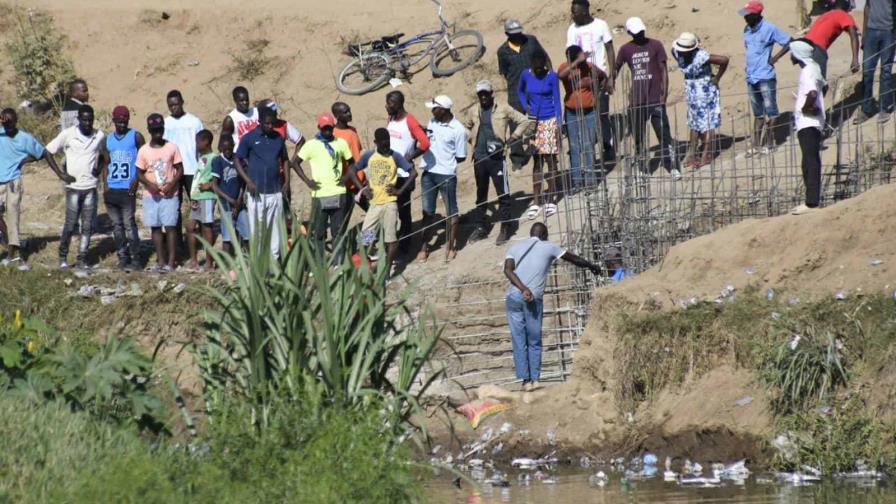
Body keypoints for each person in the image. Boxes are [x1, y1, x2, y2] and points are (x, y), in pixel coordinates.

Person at [503, 222, 601, 391]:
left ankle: (525, 381)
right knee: (534, 340)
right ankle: (534, 379)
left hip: (513, 297)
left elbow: (508, 270)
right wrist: (591, 266)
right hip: (532, 298)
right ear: (544, 235)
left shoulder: (516, 247)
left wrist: (521, 288)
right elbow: (574, 259)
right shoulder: (549, 246)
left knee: (519, 340)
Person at [0, 108, 73, 271]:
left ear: (16, 121)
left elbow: (43, 153)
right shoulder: (1, 134)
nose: (8, 126)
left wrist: (59, 173)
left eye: (11, 123)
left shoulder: (24, 138)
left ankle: (14, 255)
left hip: (13, 181)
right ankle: (8, 244)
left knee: (13, 217)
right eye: (6, 123)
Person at [464, 79, 532, 245]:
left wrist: (513, 138)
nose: (483, 97)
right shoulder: (474, 110)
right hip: (479, 158)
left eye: (486, 94)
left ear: (491, 93)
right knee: (481, 194)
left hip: (497, 158)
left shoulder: (503, 108)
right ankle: (481, 226)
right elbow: (466, 127)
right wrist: (470, 138)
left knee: (503, 193)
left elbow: (524, 120)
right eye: (480, 94)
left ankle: (507, 226)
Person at [615, 17, 681, 179]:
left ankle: (672, 165)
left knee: (663, 133)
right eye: (636, 33)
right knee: (638, 136)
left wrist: (664, 93)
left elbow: (663, 70)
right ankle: (643, 167)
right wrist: (609, 82)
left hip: (655, 98)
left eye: (641, 31)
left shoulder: (656, 45)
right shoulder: (625, 49)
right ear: (630, 33)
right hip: (637, 100)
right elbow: (616, 68)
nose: (640, 35)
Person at [46, 104, 107, 269]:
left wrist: (98, 168)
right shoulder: (68, 134)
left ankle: (82, 258)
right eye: (84, 120)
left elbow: (105, 154)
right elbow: (48, 152)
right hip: (73, 187)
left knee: (87, 226)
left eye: (90, 120)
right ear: (78, 119)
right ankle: (63, 256)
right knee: (70, 224)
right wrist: (60, 174)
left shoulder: (99, 135)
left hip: (90, 187)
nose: (88, 123)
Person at [293, 112, 358, 260]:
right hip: (319, 195)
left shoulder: (340, 143)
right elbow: (295, 163)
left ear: (333, 126)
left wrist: (346, 177)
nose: (327, 131)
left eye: (329, 128)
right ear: (319, 127)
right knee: (319, 232)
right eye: (324, 128)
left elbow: (353, 163)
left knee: (338, 231)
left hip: (338, 193)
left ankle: (338, 262)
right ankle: (319, 263)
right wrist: (307, 181)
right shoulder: (311, 145)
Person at [355, 128, 416, 276]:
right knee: (365, 237)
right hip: (375, 204)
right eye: (382, 144)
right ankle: (365, 266)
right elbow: (352, 170)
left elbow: (413, 173)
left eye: (387, 143)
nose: (386, 146)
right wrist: (362, 189)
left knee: (391, 239)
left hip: (390, 204)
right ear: (376, 142)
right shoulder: (369, 155)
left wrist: (399, 191)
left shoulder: (395, 156)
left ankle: (387, 272)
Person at [418, 95, 467, 263]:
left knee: (451, 211)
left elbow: (461, 156)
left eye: (435, 108)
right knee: (427, 211)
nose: (432, 111)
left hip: (446, 175)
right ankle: (424, 247)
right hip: (428, 173)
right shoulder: (433, 121)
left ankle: (451, 246)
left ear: (444, 110)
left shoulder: (458, 129)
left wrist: (445, 159)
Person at [738, 1, 791, 157]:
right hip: (751, 76)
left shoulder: (769, 28)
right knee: (758, 113)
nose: (745, 18)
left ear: (756, 14)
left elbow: (789, 41)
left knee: (771, 111)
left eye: (748, 15)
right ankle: (755, 145)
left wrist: (775, 57)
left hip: (766, 76)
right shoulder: (746, 30)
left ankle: (769, 143)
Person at [234, 107, 289, 257]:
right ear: (260, 122)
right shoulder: (249, 138)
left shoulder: (278, 138)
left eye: (272, 124)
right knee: (257, 230)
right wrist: (248, 181)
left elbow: (285, 160)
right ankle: (258, 265)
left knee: (275, 230)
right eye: (267, 124)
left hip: (275, 192)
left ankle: (274, 264)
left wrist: (287, 182)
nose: (270, 126)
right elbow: (237, 159)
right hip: (256, 193)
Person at [567, 0, 616, 162]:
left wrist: (611, 76)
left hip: (599, 77)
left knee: (601, 112)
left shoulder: (601, 25)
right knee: (585, 114)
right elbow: (569, 54)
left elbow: (609, 48)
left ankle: (607, 144)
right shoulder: (572, 30)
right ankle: (587, 148)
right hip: (581, 80)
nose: (572, 15)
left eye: (574, 12)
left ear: (584, 11)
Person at [671, 32, 729, 169]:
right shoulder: (677, 52)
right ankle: (691, 153)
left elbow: (724, 60)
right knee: (693, 123)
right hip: (692, 93)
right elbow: (674, 51)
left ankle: (705, 155)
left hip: (705, 92)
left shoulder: (702, 56)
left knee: (707, 123)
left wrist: (717, 78)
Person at [498, 19, 550, 170]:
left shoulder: (531, 41)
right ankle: (517, 157)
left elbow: (544, 57)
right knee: (515, 122)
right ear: (507, 34)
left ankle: (546, 149)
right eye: (513, 34)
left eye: (519, 33)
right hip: (516, 89)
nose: (518, 36)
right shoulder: (502, 51)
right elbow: (504, 72)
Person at [518, 50, 563, 221]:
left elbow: (557, 100)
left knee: (550, 160)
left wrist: (559, 122)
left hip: (549, 120)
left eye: (540, 68)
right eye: (535, 68)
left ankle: (552, 197)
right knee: (537, 161)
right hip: (533, 122)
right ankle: (537, 201)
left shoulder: (552, 76)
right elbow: (520, 91)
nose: (538, 71)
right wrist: (525, 105)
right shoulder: (525, 75)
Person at [136, 113, 183, 273]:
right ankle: (160, 261)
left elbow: (179, 169)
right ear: (149, 130)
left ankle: (171, 262)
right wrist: (150, 185)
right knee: (155, 228)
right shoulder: (143, 151)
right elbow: (139, 173)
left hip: (170, 195)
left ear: (163, 129)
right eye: (154, 130)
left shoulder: (172, 147)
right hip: (151, 196)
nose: (158, 133)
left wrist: (172, 184)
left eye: (160, 129)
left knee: (170, 227)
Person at [99, 105, 145, 270]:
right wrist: (105, 186)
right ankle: (122, 256)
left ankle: (136, 258)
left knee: (129, 223)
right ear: (114, 120)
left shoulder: (136, 136)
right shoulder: (107, 140)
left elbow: (143, 159)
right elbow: (106, 164)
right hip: (112, 188)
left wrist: (137, 179)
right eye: (119, 120)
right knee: (117, 226)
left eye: (125, 119)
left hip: (128, 188)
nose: (122, 123)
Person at [385, 91, 430, 258]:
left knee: (403, 211)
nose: (387, 106)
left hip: (404, 174)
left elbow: (425, 143)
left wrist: (410, 156)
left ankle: (405, 244)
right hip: (387, 174)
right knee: (388, 210)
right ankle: (389, 243)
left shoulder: (409, 120)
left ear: (398, 103)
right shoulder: (390, 119)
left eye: (390, 103)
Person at [558, 45, 608, 187]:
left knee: (588, 144)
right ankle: (576, 181)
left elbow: (603, 76)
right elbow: (560, 76)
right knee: (574, 146)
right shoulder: (565, 68)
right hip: (571, 112)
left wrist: (599, 93)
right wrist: (575, 63)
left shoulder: (590, 67)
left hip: (590, 111)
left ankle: (590, 180)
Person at [163, 89, 205, 244]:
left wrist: (203, 168)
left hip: (192, 169)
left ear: (182, 102)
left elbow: (202, 145)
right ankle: (177, 241)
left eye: (176, 104)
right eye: (171, 105)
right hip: (173, 172)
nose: (174, 107)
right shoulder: (166, 123)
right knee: (174, 206)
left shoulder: (194, 121)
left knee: (196, 204)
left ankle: (198, 238)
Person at [790, 41, 826, 216]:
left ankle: (811, 203)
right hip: (811, 121)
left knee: (810, 161)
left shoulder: (808, 70)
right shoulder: (814, 67)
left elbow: (812, 92)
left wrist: (807, 107)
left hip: (808, 121)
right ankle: (811, 200)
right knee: (810, 160)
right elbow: (823, 87)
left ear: (797, 55)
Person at [855, 0, 894, 124]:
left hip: (889, 32)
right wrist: (864, 33)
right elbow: (867, 7)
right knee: (867, 70)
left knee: (886, 71)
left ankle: (885, 108)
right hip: (871, 31)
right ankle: (866, 109)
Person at [211, 135, 248, 256]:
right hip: (226, 204)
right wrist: (231, 201)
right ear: (220, 148)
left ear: (233, 146)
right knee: (227, 237)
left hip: (239, 204)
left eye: (229, 148)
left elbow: (243, 183)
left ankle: (250, 260)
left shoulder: (238, 160)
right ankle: (228, 263)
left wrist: (238, 201)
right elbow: (215, 186)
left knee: (247, 233)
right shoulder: (217, 161)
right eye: (224, 149)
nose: (227, 151)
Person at [804, 0, 860, 79]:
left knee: (810, 80)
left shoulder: (826, 15)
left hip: (803, 47)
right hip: (816, 49)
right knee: (819, 82)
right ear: (846, 7)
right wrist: (855, 60)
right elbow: (854, 35)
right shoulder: (843, 15)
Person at [186, 130, 216, 271]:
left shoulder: (214, 158)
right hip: (197, 198)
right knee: (190, 227)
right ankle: (194, 260)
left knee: (206, 227)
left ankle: (209, 262)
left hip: (207, 197)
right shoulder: (201, 158)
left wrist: (209, 185)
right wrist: (193, 196)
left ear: (205, 141)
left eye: (198, 142)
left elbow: (218, 179)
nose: (196, 145)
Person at [332, 101, 368, 213]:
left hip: (359, 181)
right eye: (345, 112)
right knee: (342, 219)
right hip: (345, 184)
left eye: (349, 110)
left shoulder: (352, 130)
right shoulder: (333, 135)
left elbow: (357, 154)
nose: (349, 114)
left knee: (374, 212)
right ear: (337, 116)